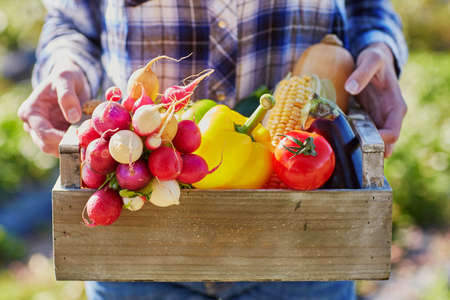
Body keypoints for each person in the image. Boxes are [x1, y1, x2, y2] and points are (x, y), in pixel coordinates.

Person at [18, 1, 408, 299]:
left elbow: (367, 6)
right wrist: (65, 66)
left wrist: (380, 46)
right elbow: (71, 21)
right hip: (137, 235)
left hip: (302, 240)